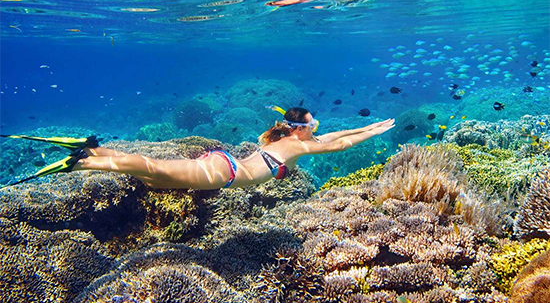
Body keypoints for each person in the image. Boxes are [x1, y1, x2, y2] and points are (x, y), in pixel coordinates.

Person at [0, 107, 394, 190]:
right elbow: (340, 144)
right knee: (152, 169)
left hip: (219, 164)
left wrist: (372, 125)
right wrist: (372, 135)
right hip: (224, 172)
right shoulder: (297, 147)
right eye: (314, 123)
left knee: (152, 175)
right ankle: (83, 161)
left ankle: (93, 151)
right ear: (301, 128)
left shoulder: (290, 140)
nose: (319, 127)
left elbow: (340, 134)